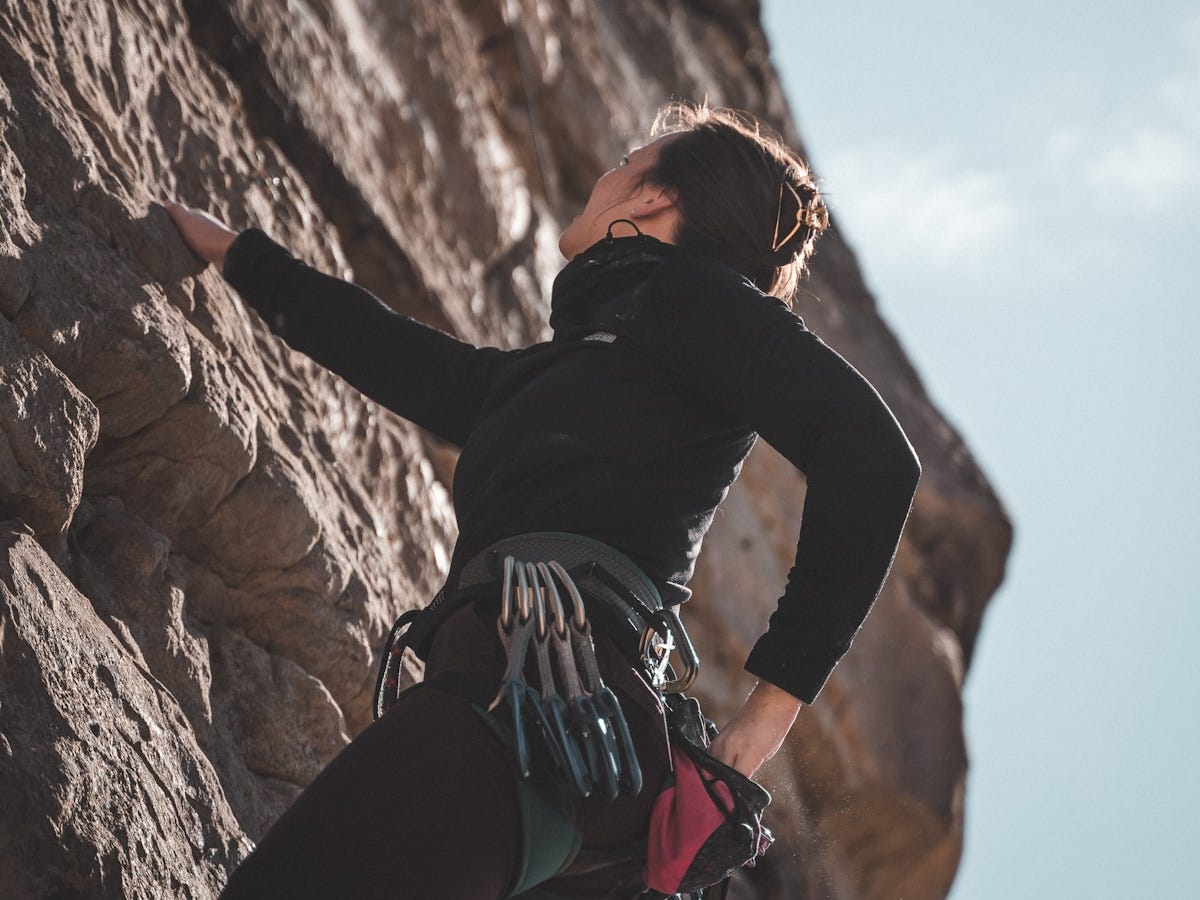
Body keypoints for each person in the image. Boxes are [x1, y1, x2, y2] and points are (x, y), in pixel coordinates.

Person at [164, 101, 920, 899]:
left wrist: (769, 710)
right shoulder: (559, 372)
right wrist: (237, 254)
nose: (608, 173)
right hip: (565, 763)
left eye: (629, 159)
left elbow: (874, 458)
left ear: (652, 200)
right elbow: (389, 351)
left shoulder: (689, 296)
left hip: (538, 720)